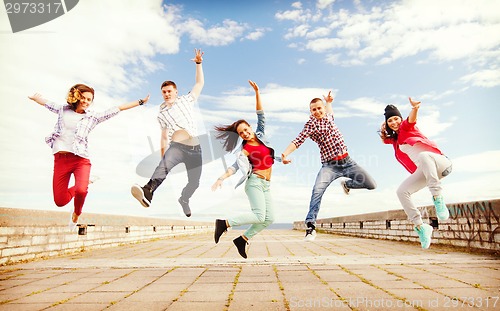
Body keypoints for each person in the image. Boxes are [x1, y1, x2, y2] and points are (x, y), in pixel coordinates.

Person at [28, 84, 149, 231]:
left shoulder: (93, 117)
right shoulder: (62, 110)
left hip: (80, 160)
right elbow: (47, 103)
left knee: (81, 191)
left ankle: (76, 214)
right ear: (77, 97)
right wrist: (36, 99)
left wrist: (140, 102)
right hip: (60, 160)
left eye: (89, 100)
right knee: (60, 201)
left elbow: (118, 108)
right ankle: (88, 181)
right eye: (83, 98)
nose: (86, 101)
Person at [281, 91, 376, 241]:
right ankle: (311, 226)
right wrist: (285, 154)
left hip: (348, 162)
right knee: (317, 190)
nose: (318, 111)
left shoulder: (329, 116)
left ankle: (347, 184)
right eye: (314, 109)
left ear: (323, 108)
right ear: (310, 112)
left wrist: (329, 101)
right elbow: (297, 140)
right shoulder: (311, 125)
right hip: (329, 166)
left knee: (371, 184)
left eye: (320, 108)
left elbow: (330, 110)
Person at [131, 49, 204, 217]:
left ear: (176, 91)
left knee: (194, 182)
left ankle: (184, 199)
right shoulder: (161, 113)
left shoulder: (186, 100)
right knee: (162, 167)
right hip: (176, 147)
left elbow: (199, 84)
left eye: (169, 91)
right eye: (164, 92)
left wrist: (199, 64)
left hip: (194, 149)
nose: (166, 94)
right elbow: (164, 136)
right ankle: (148, 191)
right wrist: (164, 157)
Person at [211, 80, 280, 258]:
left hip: (266, 185)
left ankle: (242, 239)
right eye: (241, 133)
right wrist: (221, 178)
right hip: (254, 183)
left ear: (250, 127)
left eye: (245, 129)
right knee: (258, 216)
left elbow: (261, 116)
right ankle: (224, 223)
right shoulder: (244, 150)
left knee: (269, 218)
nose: (245, 133)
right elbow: (234, 167)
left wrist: (257, 92)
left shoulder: (261, 135)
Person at [380, 98, 452, 249]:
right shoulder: (395, 141)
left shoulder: (407, 127)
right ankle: (421, 227)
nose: (394, 122)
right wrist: (383, 132)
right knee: (402, 191)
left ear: (400, 118)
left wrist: (415, 108)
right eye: (390, 121)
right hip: (427, 171)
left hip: (441, 163)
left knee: (423, 155)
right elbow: (386, 140)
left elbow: (411, 120)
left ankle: (438, 198)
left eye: (396, 118)